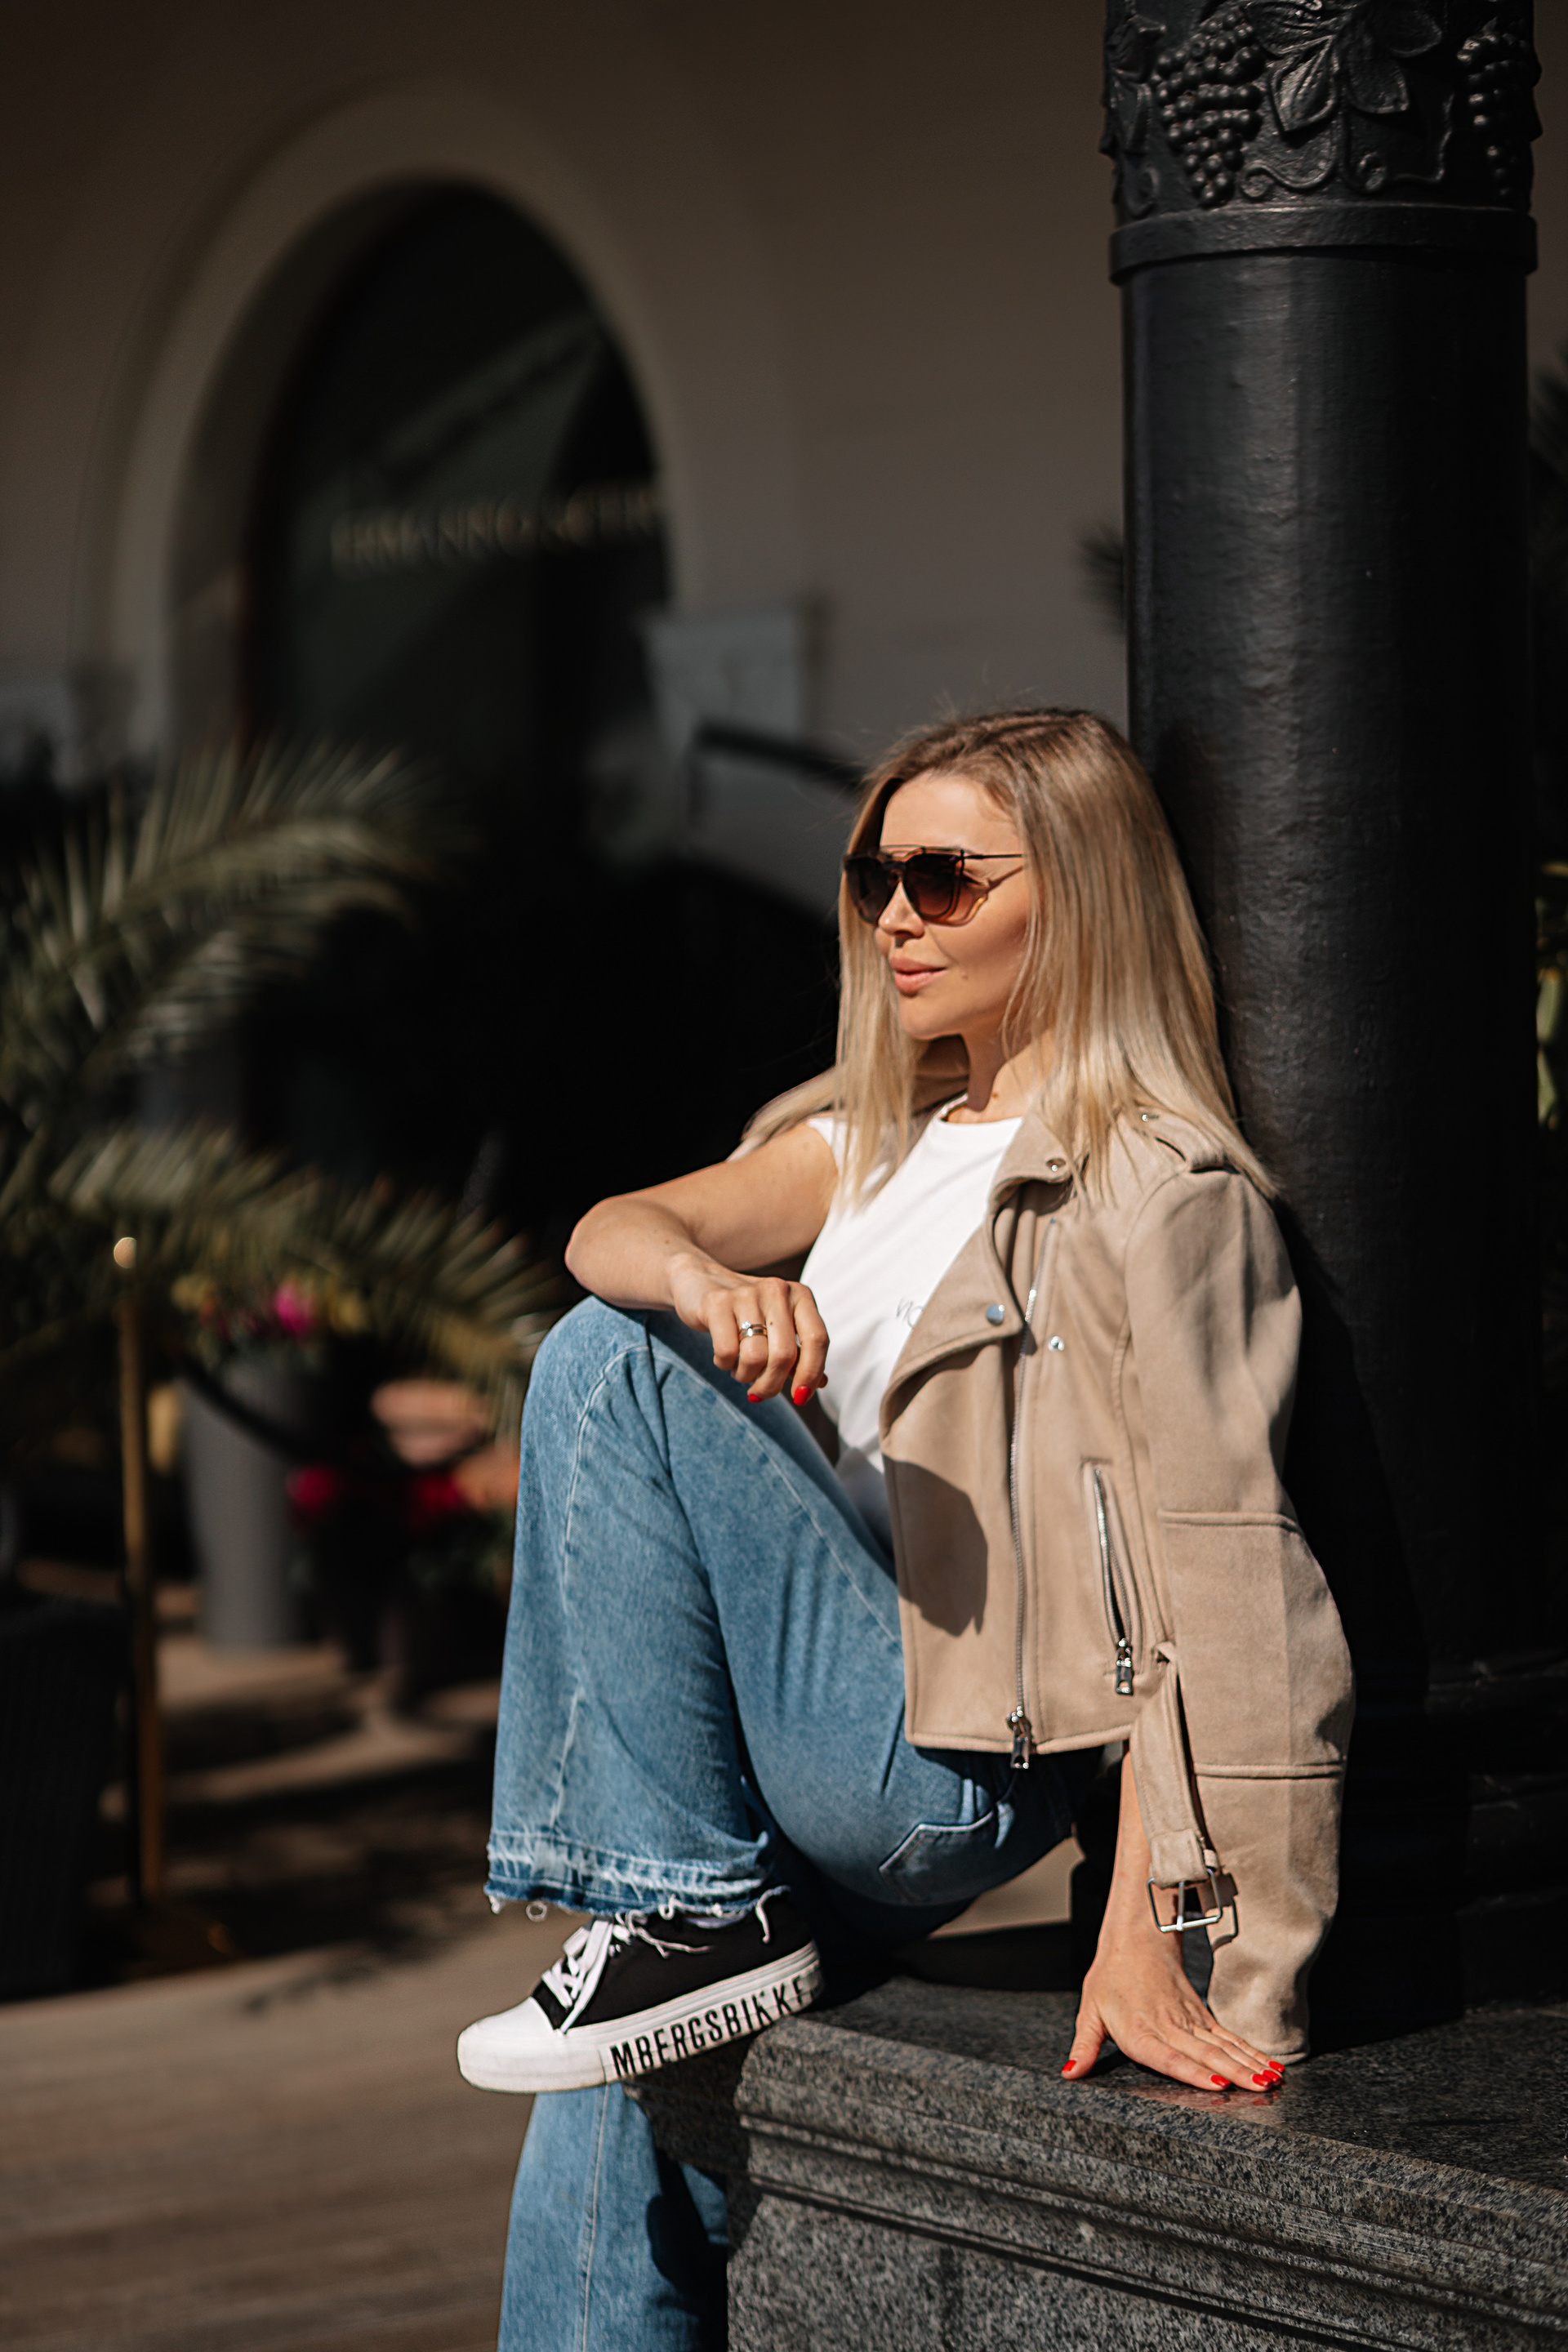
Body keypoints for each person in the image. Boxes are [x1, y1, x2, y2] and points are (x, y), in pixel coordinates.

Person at [458, 706, 1355, 2350]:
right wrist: (709, 1277)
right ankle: (680, 1921)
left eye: (944, 879)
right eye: (877, 876)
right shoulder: (861, 1137)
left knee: (611, 1364)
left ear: (1075, 894)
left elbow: (1219, 1581)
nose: (894, 918)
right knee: (612, 2094)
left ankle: (688, 1913)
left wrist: (1175, 1935)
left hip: (943, 1768)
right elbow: (608, 1229)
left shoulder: (1157, 1195)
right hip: (798, 1747)